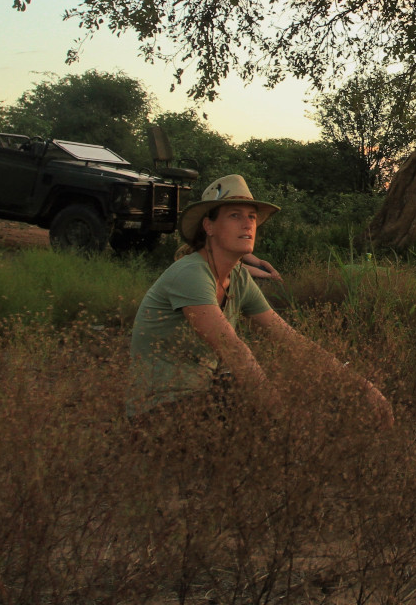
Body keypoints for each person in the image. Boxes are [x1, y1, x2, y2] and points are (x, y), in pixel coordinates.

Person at [126, 174, 393, 429]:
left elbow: (291, 339)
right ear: (208, 226)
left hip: (204, 393)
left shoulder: (239, 276)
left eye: (252, 217)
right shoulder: (191, 273)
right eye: (235, 216)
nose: (247, 224)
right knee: (269, 408)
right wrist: (281, 416)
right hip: (161, 407)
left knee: (299, 389)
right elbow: (233, 349)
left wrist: (362, 386)